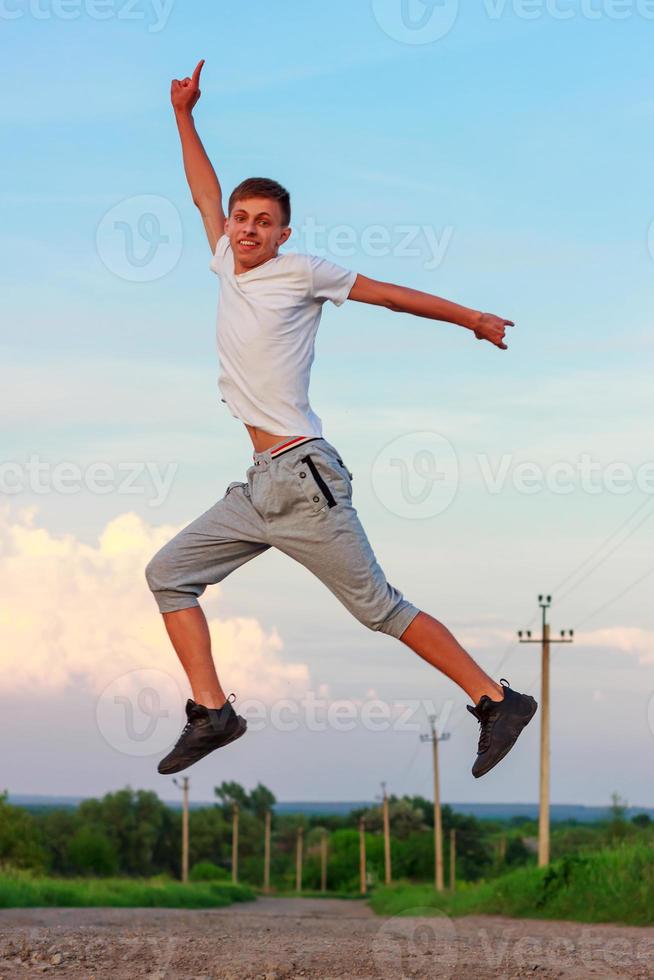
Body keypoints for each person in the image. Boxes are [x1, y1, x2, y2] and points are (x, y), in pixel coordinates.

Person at [145, 59, 537, 779]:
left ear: (285, 234)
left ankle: (494, 700)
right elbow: (202, 190)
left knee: (379, 609)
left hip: (303, 477)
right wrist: (184, 115)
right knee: (169, 575)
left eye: (264, 223)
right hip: (260, 486)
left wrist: (471, 318)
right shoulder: (226, 265)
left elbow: (387, 295)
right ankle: (212, 713)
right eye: (241, 219)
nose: (249, 231)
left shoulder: (303, 273)